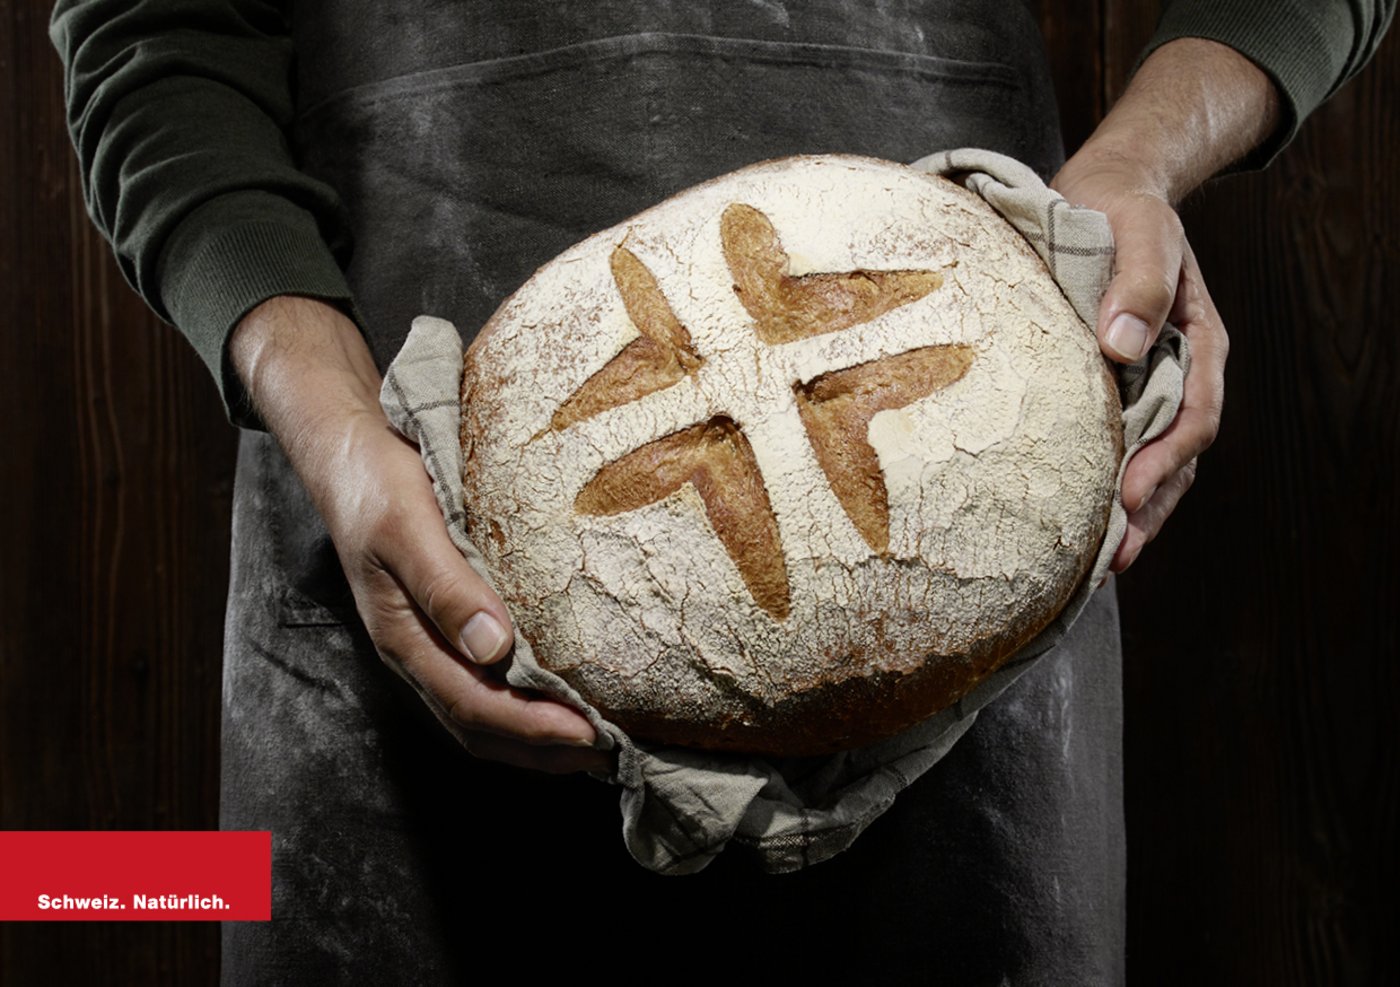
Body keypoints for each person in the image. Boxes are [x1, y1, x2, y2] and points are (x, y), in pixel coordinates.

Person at [51, 2, 1394, 982]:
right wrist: (329, 412)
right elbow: (148, 34)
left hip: (969, 522)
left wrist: (1139, 166)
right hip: (387, 514)